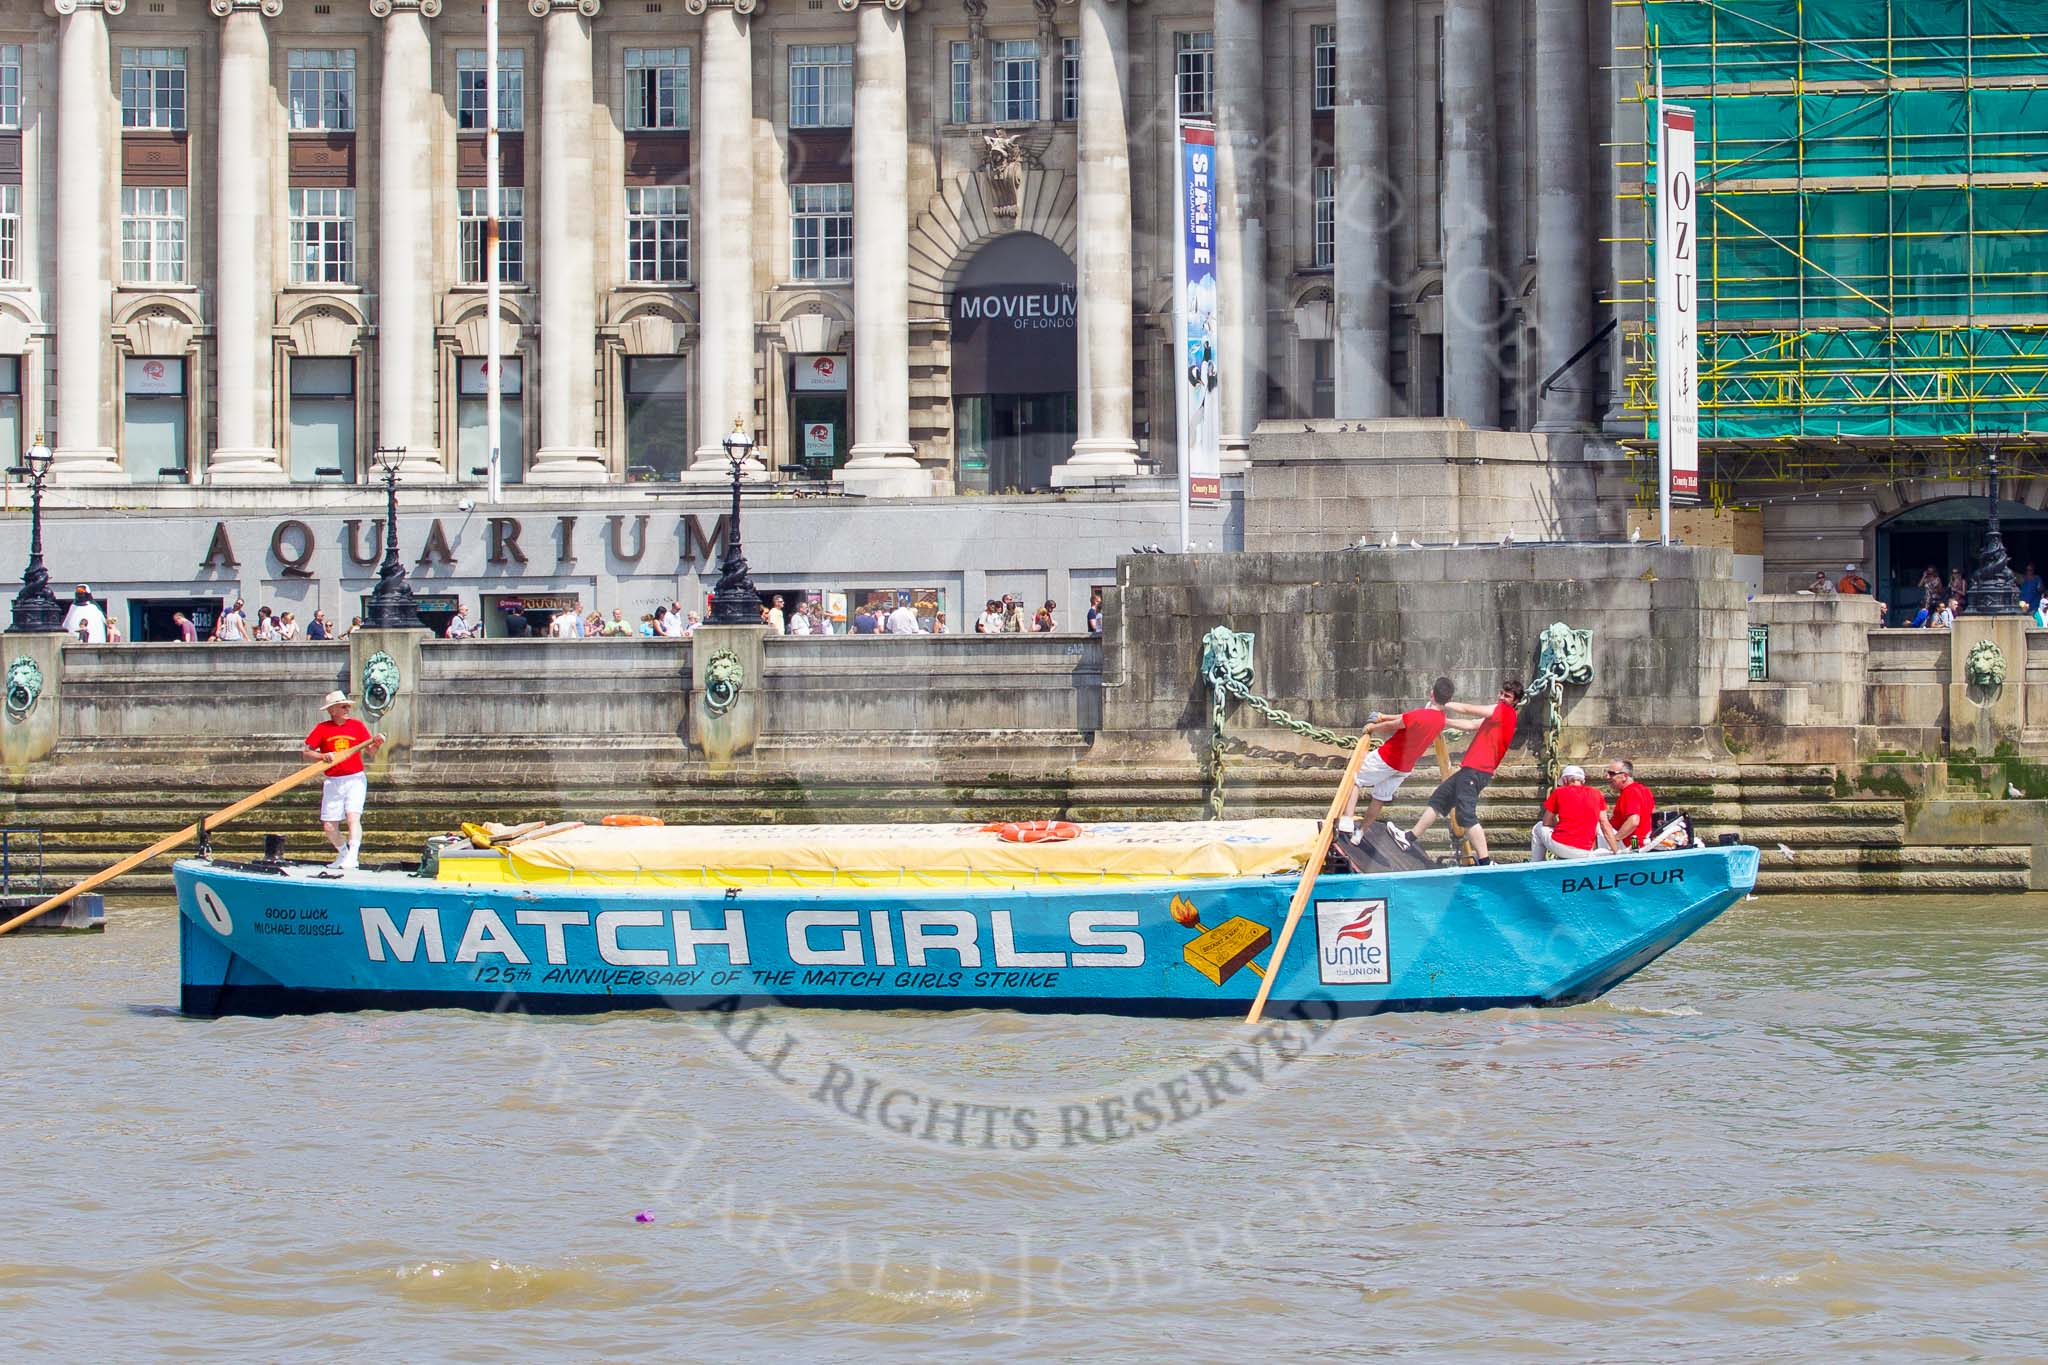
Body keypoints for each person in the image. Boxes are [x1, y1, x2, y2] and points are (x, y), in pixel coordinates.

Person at [1407, 680, 1525, 866]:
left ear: (1515, 701)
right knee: (1439, 798)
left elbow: (1468, 709)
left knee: (1465, 815)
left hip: (1477, 770)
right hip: (1470, 769)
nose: (1502, 698)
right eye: (1501, 693)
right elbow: (1471, 724)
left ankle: (1486, 862)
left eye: (1507, 696)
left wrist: (1442, 702)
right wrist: (1443, 721)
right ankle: (1410, 837)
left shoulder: (1504, 711)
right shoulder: (1499, 715)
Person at [1339, 676, 1457, 834]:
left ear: (1431, 693)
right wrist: (1383, 716)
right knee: (1380, 797)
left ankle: (1347, 820)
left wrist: (1372, 728)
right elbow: (1404, 718)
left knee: (1355, 778)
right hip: (1404, 768)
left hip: (1387, 758)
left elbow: (1391, 726)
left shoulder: (1419, 715)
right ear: (1449, 699)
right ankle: (1360, 833)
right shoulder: (1441, 720)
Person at [302, 690, 383, 872]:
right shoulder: (323, 729)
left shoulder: (357, 726)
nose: (347, 709)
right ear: (332, 710)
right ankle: (344, 853)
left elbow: (370, 751)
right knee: (329, 826)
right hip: (333, 780)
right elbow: (307, 752)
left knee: (352, 816)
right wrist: (322, 756)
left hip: (355, 778)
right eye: (343, 706)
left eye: (347, 706)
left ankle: (353, 855)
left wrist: (376, 745)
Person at [1530, 765, 1620, 862]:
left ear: (1565, 780)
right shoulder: (1597, 794)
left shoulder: (1559, 792)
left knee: (1538, 827)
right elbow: (1605, 825)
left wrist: (1557, 827)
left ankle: (1535, 864)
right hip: (1585, 851)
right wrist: (1616, 852)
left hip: (1561, 846)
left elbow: (1546, 822)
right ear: (1583, 781)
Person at [1605, 760, 1656, 851]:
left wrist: (1614, 839)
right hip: (1644, 842)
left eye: (1611, 773)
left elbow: (1633, 821)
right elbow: (1652, 812)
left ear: (1624, 776)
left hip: (1633, 843)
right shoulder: (1644, 790)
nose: (1607, 777)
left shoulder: (1630, 792)